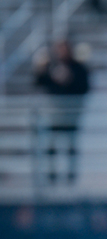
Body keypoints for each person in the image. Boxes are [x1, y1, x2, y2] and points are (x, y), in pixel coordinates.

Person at [33, 39, 91, 184]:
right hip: (52, 115)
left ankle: (71, 178)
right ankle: (51, 176)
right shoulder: (50, 66)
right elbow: (38, 83)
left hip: (71, 114)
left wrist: (69, 79)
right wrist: (40, 67)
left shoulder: (78, 67)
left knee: (71, 148)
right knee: (51, 147)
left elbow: (84, 87)